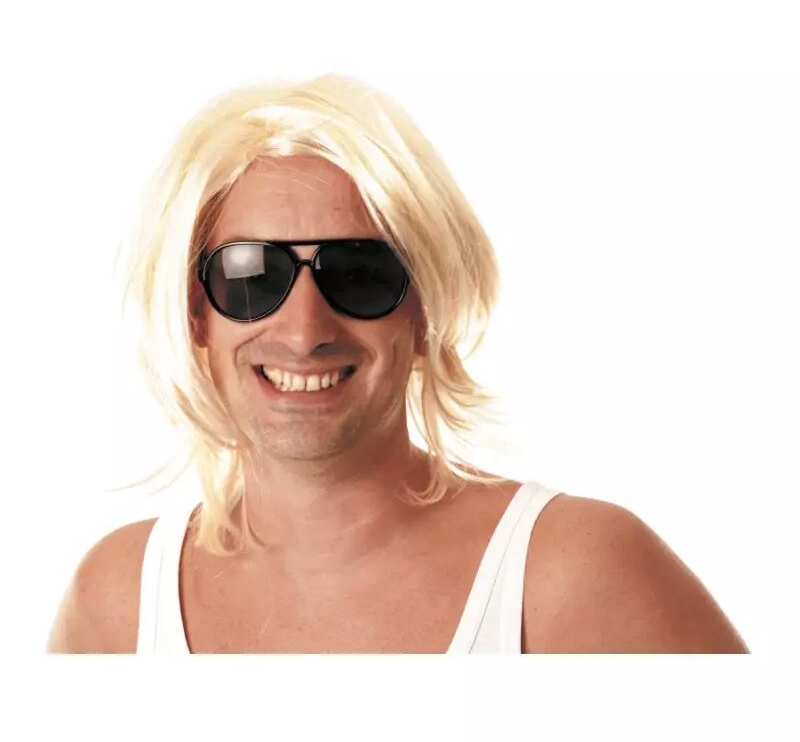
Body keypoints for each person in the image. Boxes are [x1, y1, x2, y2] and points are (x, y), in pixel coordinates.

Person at [47, 73, 749, 654]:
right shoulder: (117, 604)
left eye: (359, 274)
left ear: (425, 310)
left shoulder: (577, 576)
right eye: (252, 275)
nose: (304, 331)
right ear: (197, 311)